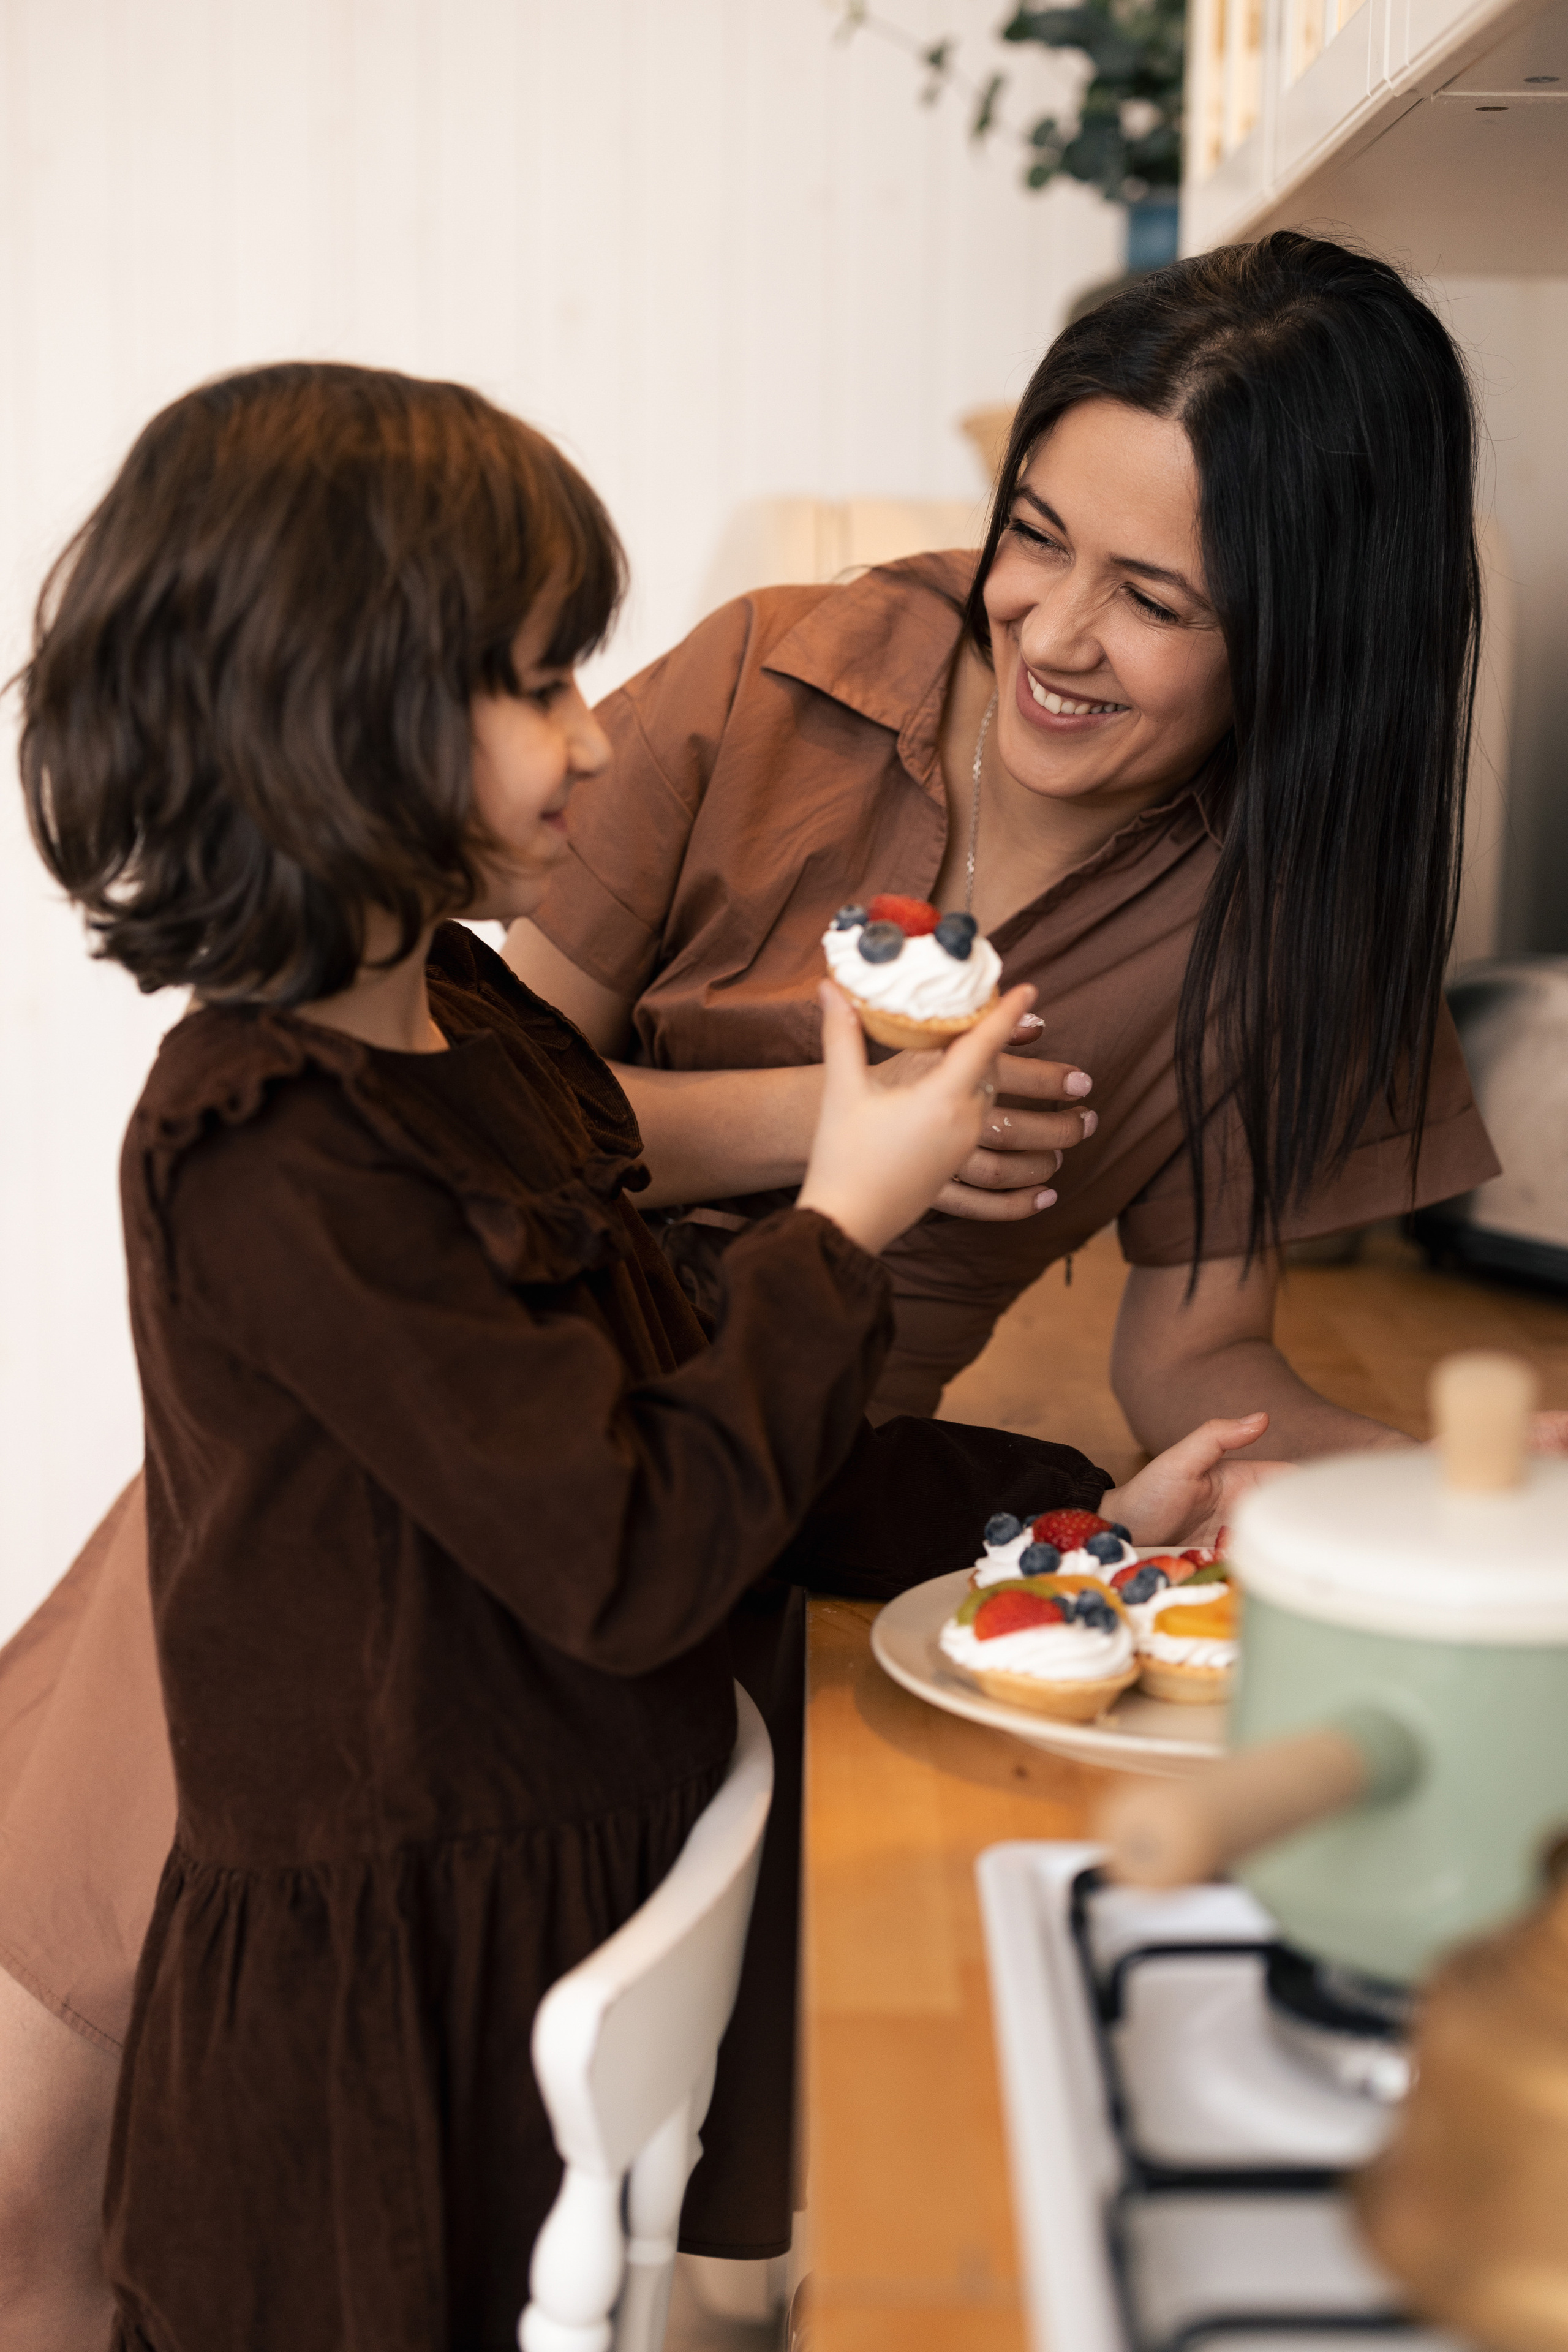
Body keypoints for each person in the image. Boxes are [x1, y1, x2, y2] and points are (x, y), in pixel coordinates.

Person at [8, 361, 1273, 2351]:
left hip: (541, 1943)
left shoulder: (482, 1036)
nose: (601, 744)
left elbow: (688, 1419)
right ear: (333, 715)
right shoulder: (268, 1156)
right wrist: (846, 1214)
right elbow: (635, 1542)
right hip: (371, 2056)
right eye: (538, 685)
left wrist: (1083, 1517)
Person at [508, 229, 1499, 1443]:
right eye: (1032, 535)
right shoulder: (764, 673)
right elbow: (473, 1122)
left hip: (809, 1494)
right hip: (498, 1412)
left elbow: (1193, 1362)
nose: (1051, 635)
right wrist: (843, 1117)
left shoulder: (1286, 908)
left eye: (1149, 601)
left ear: (1311, 636)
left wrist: (1465, 1489)